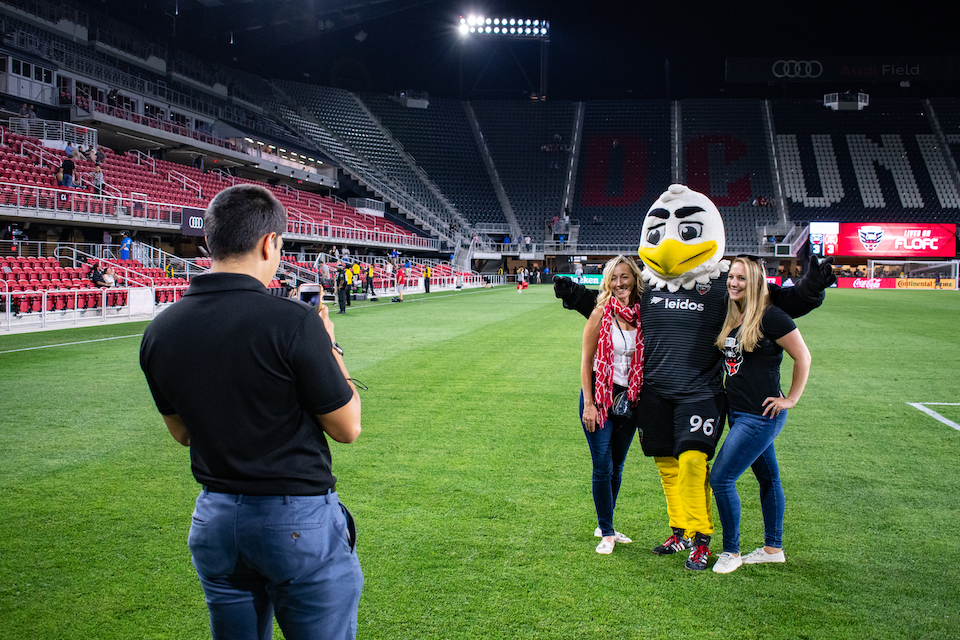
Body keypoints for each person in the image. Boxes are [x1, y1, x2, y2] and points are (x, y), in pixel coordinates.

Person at [139, 184, 363, 639]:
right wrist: (331, 346)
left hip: (216, 519)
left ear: (210, 240)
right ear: (269, 242)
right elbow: (347, 426)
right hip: (295, 519)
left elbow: (182, 433)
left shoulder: (161, 329)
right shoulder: (294, 321)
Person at [710, 256, 811, 574]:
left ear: (755, 282)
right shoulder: (733, 314)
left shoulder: (772, 317)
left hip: (760, 416)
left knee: (721, 479)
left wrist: (791, 399)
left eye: (741, 278)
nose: (733, 282)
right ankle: (773, 549)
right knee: (768, 478)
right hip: (739, 413)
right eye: (731, 276)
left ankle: (731, 552)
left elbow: (803, 356)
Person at [579, 256, 644, 555]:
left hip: (629, 399)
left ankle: (605, 523)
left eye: (625, 276)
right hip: (600, 396)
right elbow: (586, 361)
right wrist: (589, 404)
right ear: (607, 281)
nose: (619, 283)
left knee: (617, 466)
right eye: (614, 278)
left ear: (634, 279)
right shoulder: (599, 314)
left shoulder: (642, 314)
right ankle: (606, 532)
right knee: (602, 465)